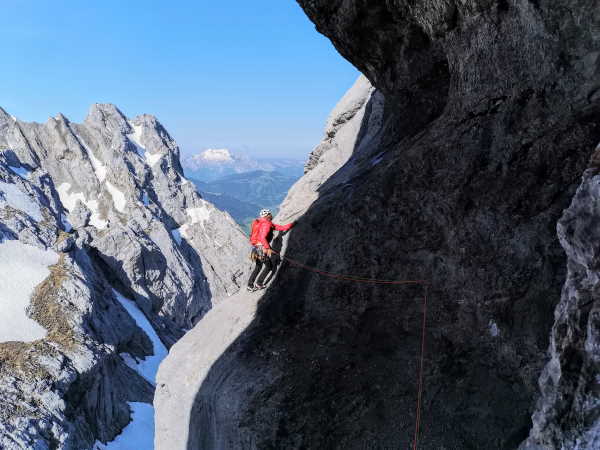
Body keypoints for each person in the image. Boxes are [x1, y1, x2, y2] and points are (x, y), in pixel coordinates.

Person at [247, 208, 294, 292]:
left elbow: (280, 228)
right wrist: (268, 248)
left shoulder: (261, 223)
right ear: (267, 215)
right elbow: (262, 237)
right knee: (269, 266)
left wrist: (291, 224)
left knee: (258, 267)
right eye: (270, 214)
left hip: (255, 248)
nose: (271, 215)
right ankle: (259, 283)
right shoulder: (267, 224)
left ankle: (250, 286)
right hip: (262, 249)